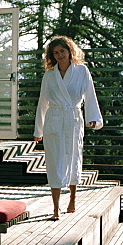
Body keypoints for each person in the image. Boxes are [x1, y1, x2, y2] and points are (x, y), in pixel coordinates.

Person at [34, 35, 103, 221]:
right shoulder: (49, 75)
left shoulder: (81, 71)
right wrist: (38, 130)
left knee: (74, 158)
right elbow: (43, 102)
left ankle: (72, 199)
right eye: (55, 53)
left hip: (73, 118)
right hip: (54, 120)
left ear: (70, 51)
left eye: (62, 51)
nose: (59, 55)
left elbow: (90, 95)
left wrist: (93, 118)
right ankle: (55, 208)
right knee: (54, 162)